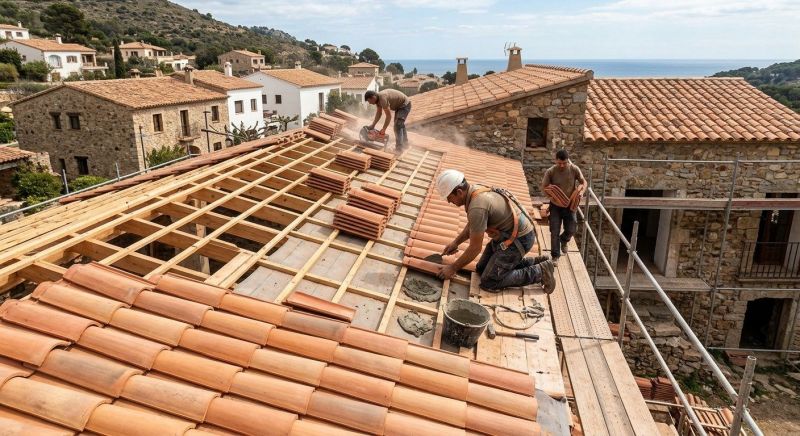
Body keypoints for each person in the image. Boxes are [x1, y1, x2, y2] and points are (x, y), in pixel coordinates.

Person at [435, 169, 556, 293]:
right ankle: (540, 262)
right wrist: (456, 242)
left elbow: (475, 248)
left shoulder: (477, 206)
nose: (449, 202)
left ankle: (540, 272)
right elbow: (473, 224)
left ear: (459, 192)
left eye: (449, 198)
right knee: (481, 269)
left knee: (490, 282)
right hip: (509, 236)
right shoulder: (475, 190)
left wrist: (453, 268)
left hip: (518, 240)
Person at [541, 149, 587, 265]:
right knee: (554, 230)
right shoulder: (550, 171)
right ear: (555, 160)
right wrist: (553, 198)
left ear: (568, 161)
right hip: (555, 206)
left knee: (572, 229)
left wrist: (581, 192)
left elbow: (583, 182)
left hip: (570, 205)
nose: (561, 165)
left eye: (564, 163)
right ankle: (555, 256)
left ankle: (564, 240)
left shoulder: (574, 169)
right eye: (559, 163)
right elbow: (544, 187)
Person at [365, 89, 411, 153]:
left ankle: (399, 149)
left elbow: (388, 116)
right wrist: (373, 125)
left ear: (373, 97)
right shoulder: (377, 100)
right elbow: (379, 113)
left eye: (369, 101)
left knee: (398, 125)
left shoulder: (382, 98)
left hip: (405, 105)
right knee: (400, 125)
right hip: (399, 106)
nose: (369, 103)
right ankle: (405, 144)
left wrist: (384, 129)